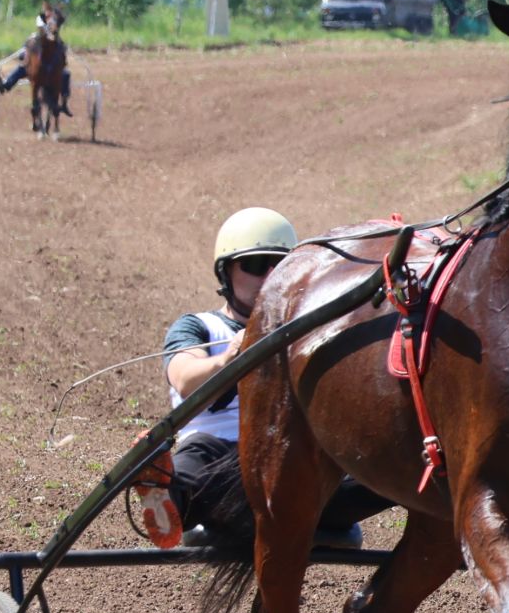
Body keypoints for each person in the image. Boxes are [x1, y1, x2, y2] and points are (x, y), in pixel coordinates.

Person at [160, 208, 388, 548]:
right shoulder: (200, 327)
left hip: (289, 464)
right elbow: (185, 380)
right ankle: (168, 496)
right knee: (197, 469)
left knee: (386, 471)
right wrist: (230, 357)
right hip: (216, 451)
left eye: (279, 266)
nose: (269, 277)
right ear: (226, 272)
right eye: (254, 265)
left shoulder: (309, 334)